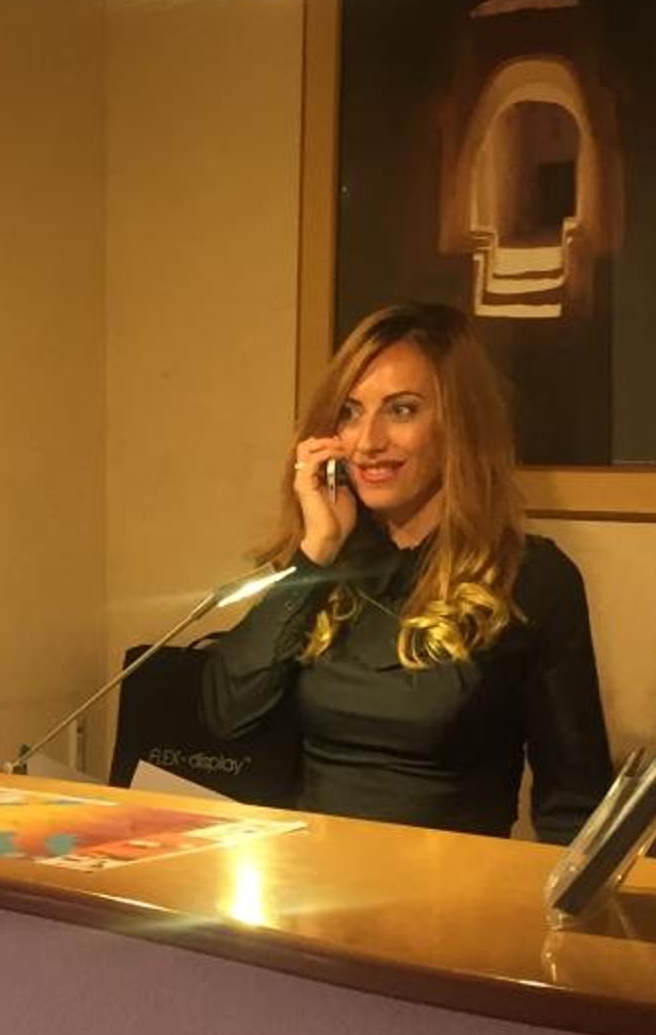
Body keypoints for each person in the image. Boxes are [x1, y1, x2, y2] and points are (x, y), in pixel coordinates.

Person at [200, 301, 613, 842]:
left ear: (457, 425)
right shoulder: (325, 563)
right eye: (350, 412)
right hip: (309, 876)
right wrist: (317, 548)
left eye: (401, 410)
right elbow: (227, 715)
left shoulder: (534, 576)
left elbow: (574, 803)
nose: (368, 442)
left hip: (450, 885)